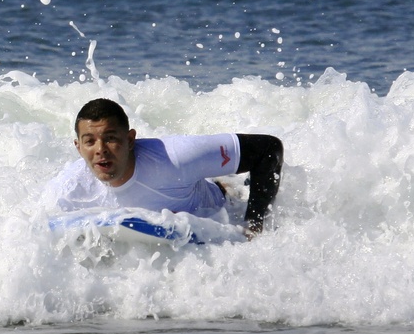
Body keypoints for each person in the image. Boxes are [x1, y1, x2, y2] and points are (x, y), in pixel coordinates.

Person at [42, 98, 283, 233]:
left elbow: (268, 150)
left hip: (222, 207)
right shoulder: (68, 190)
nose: (100, 149)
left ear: (130, 140)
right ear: (78, 147)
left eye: (111, 138)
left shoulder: (175, 158)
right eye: (89, 141)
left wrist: (254, 224)